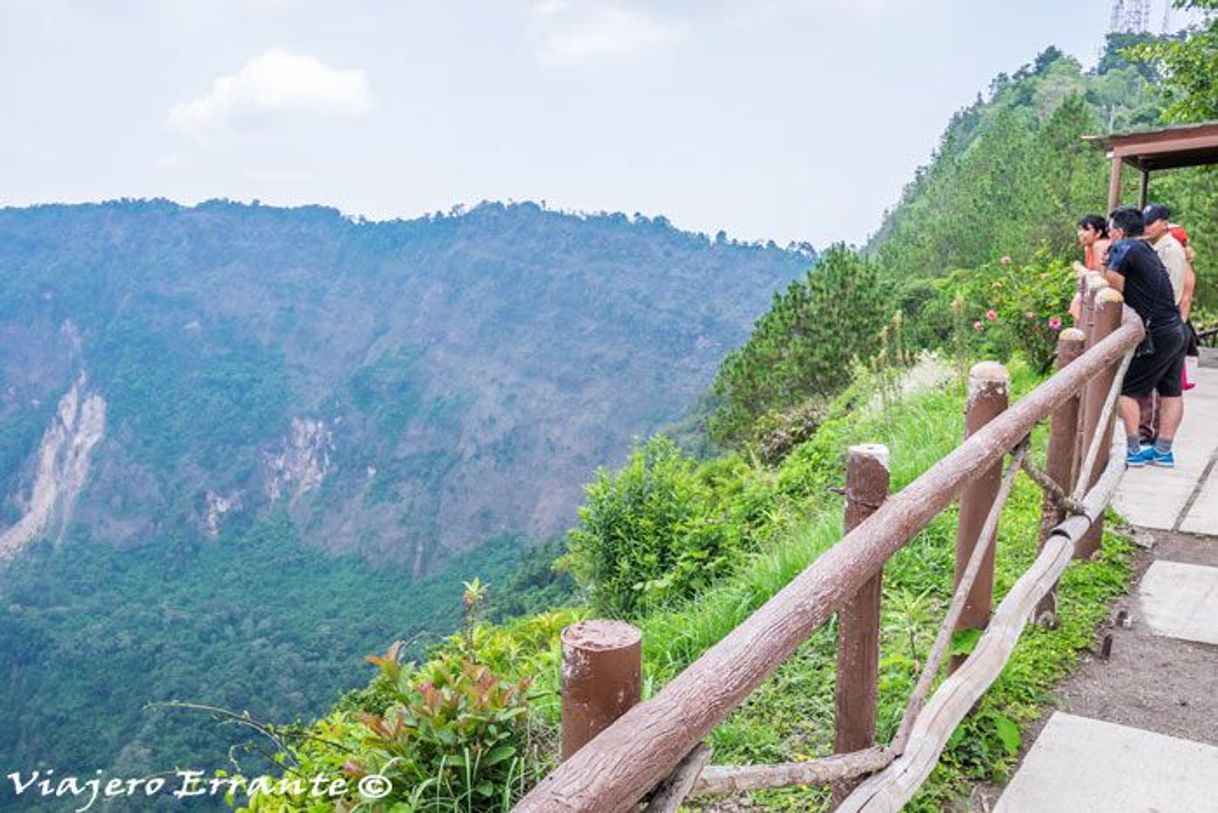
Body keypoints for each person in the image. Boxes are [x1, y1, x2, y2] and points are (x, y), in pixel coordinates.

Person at [1102, 207, 1187, 468]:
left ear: (1117, 231)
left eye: (1110, 230)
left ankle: (1134, 450)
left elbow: (1113, 294)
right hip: (1176, 329)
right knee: (1171, 391)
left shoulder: (1123, 248)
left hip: (1156, 332)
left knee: (1125, 390)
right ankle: (1163, 451)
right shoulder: (1148, 249)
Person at [1070, 214, 1112, 321]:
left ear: (1098, 233)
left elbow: (1101, 278)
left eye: (1085, 230)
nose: (1080, 233)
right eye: (1079, 229)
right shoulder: (1088, 247)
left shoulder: (1100, 245)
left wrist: (1081, 269)